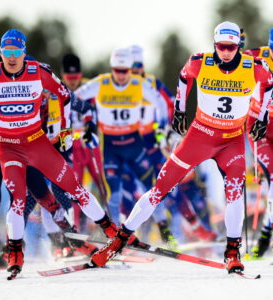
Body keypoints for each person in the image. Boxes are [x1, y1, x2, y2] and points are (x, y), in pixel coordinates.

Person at [90, 21, 273, 274]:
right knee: (160, 188)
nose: (227, 52)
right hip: (200, 135)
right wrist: (180, 108)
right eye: (222, 46)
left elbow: (268, 84)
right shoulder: (200, 62)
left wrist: (262, 116)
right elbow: (185, 76)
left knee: (235, 192)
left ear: (237, 47)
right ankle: (119, 240)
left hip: (231, 140)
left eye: (232, 47)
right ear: (215, 44)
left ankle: (232, 251)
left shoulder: (254, 67)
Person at [0, 29, 118, 275]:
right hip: (8, 147)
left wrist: (65, 131)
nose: (11, 57)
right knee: (18, 202)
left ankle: (110, 232)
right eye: (6, 52)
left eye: (16, 52)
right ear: (0, 54)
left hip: (38, 144)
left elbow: (66, 97)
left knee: (72, 189)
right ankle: (16, 253)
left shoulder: (38, 72)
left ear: (23, 53)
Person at [74, 48, 171, 234]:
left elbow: (160, 102)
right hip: (110, 146)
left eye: (124, 71)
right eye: (117, 71)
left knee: (152, 188)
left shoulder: (138, 83)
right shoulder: (101, 83)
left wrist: (160, 128)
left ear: (130, 69)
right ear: (112, 69)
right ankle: (114, 236)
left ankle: (166, 233)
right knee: (114, 193)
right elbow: (73, 97)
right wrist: (88, 120)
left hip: (134, 143)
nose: (120, 75)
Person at [127, 45, 217, 243]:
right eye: (131, 67)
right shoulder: (121, 85)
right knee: (132, 188)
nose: (135, 71)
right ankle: (130, 233)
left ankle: (195, 229)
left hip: (153, 141)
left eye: (138, 66)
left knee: (169, 184)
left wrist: (165, 131)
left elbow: (170, 104)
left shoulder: (152, 83)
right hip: (129, 141)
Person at [60, 53, 106, 231]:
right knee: (75, 189)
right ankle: (78, 231)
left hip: (91, 145)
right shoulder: (59, 90)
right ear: (63, 76)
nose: (72, 81)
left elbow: (99, 111)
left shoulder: (90, 88)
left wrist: (92, 127)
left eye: (76, 77)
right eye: (69, 77)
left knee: (101, 185)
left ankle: (111, 230)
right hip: (72, 147)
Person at [244, 28, 273, 258]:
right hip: (259, 128)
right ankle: (264, 236)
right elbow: (230, 59)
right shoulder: (257, 55)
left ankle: (266, 231)